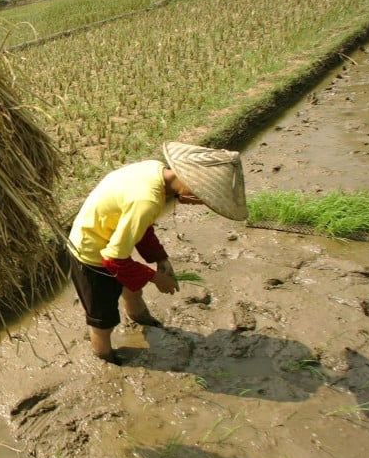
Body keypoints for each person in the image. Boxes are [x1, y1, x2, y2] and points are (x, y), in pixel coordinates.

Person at [66, 141, 247, 363]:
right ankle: (105, 357)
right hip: (90, 254)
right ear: (191, 184)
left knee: (131, 288)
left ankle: (140, 317)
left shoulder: (153, 170)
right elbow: (113, 259)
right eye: (202, 198)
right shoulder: (147, 200)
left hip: (107, 238)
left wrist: (160, 258)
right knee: (103, 320)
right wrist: (156, 278)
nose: (198, 204)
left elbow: (139, 227)